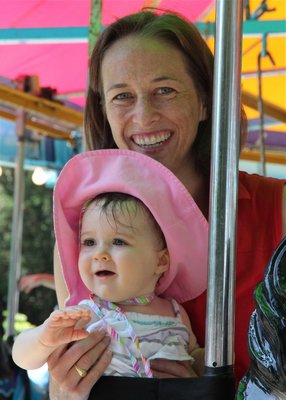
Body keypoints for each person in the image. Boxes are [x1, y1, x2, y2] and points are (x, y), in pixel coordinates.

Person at [49, 9, 286, 399]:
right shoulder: (81, 241)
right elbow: (67, 383)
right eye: (123, 96)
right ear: (105, 113)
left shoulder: (276, 209)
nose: (144, 116)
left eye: (165, 90)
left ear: (208, 102)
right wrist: (67, 387)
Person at [12, 150, 205, 379]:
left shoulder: (175, 312)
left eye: (119, 241)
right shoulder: (88, 314)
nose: (99, 254)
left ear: (161, 261)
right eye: (89, 242)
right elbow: (22, 356)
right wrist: (43, 339)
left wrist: (210, 363)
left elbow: (195, 355)